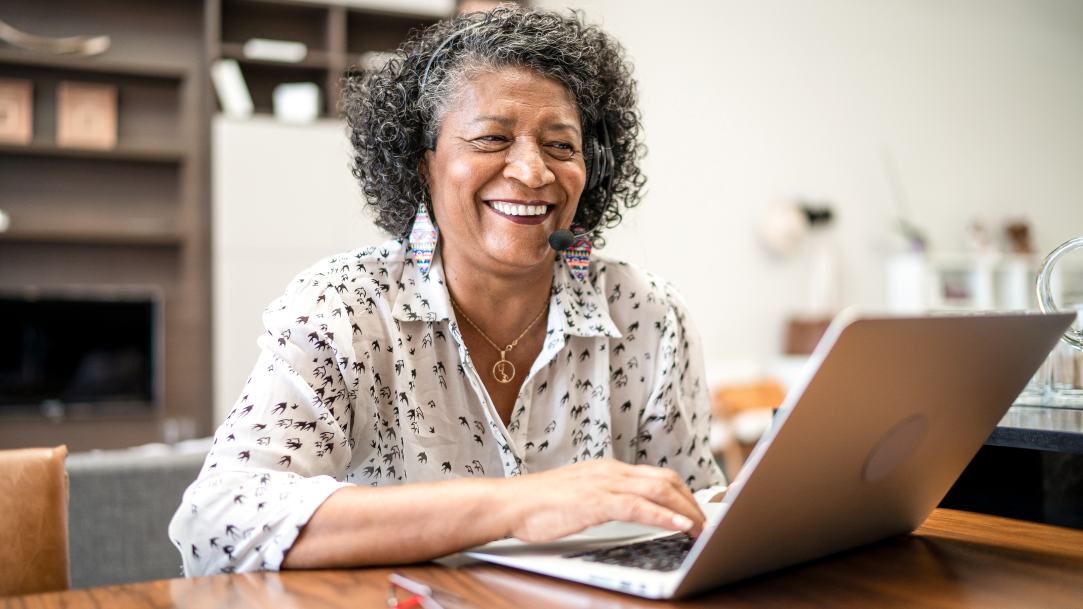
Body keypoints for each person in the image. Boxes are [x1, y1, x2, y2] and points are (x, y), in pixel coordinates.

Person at [169, 6, 726, 576]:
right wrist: (518, 504)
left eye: (561, 146)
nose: (533, 172)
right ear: (422, 165)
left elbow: (694, 516)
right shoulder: (341, 308)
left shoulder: (648, 316)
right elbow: (215, 526)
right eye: (492, 138)